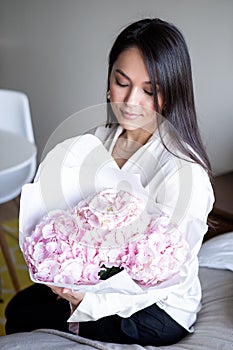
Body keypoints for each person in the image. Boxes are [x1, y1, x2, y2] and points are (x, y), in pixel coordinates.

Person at [5, 18, 214, 346]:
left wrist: (83, 300)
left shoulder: (184, 172)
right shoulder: (97, 139)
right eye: (122, 82)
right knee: (19, 305)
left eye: (149, 90)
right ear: (108, 81)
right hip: (93, 279)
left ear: (171, 94)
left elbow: (166, 277)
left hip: (155, 308)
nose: (131, 101)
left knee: (20, 316)